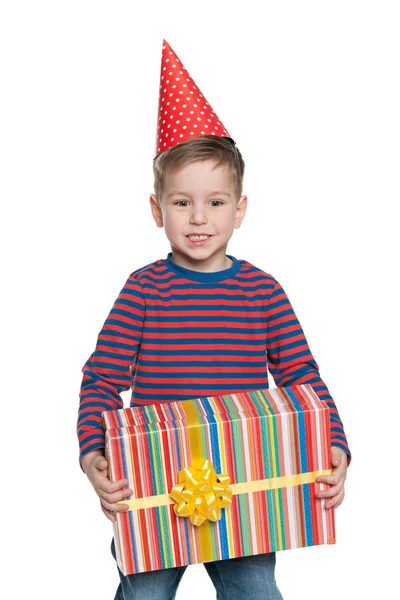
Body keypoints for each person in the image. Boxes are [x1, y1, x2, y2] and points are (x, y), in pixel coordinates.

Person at [77, 40, 351, 600]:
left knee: (256, 593)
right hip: (157, 487)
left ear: (240, 209)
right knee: (145, 594)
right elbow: (102, 379)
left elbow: (302, 378)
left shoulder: (262, 291)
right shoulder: (143, 290)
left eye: (216, 202)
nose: (199, 218)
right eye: (181, 202)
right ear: (157, 210)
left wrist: (336, 446)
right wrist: (93, 455)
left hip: (248, 491)